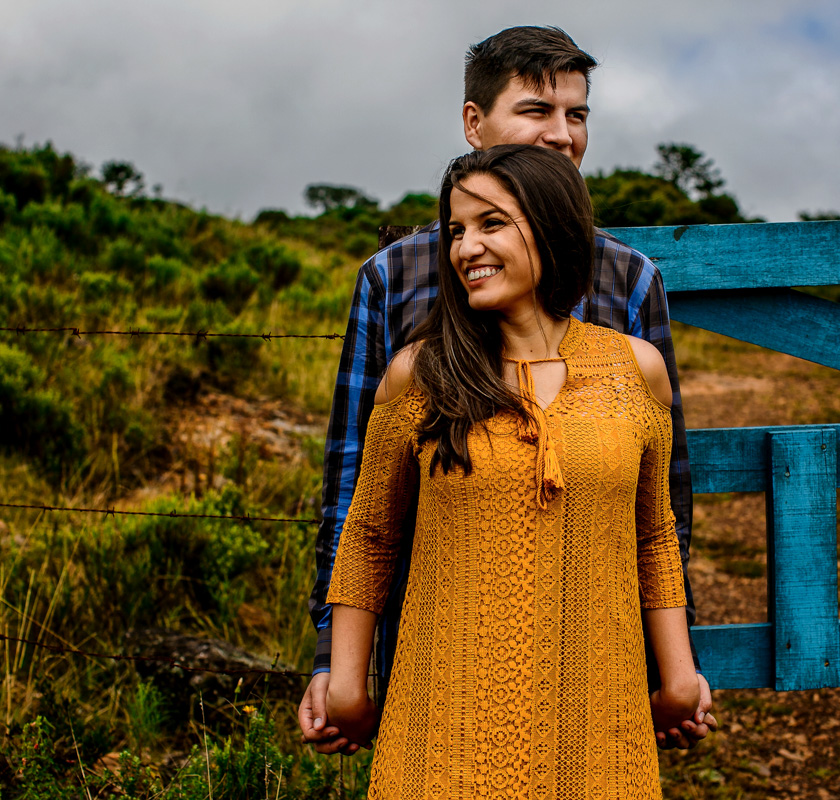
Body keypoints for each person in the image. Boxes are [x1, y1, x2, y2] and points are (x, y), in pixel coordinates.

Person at [300, 25, 717, 756]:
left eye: (577, 114)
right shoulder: (395, 279)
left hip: (596, 655)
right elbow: (356, 496)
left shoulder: (630, 282)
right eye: (536, 111)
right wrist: (340, 664)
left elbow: (658, 509)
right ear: (473, 122)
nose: (561, 135)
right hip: (442, 652)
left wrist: (668, 668)